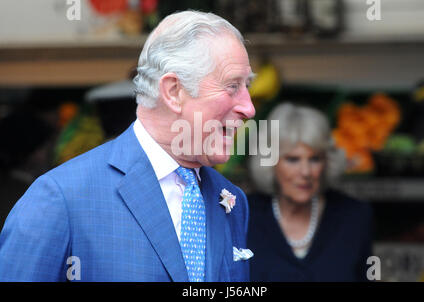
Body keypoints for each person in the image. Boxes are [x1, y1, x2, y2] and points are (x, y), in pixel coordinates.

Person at [0, 11, 255, 282]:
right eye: (232, 86)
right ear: (173, 92)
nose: (249, 107)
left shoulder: (230, 200)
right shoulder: (61, 198)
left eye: (247, 86)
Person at [247, 103, 373, 281]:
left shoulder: (354, 216)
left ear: (327, 162)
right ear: (270, 162)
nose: (305, 172)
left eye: (315, 159)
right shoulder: (243, 216)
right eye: (293, 159)